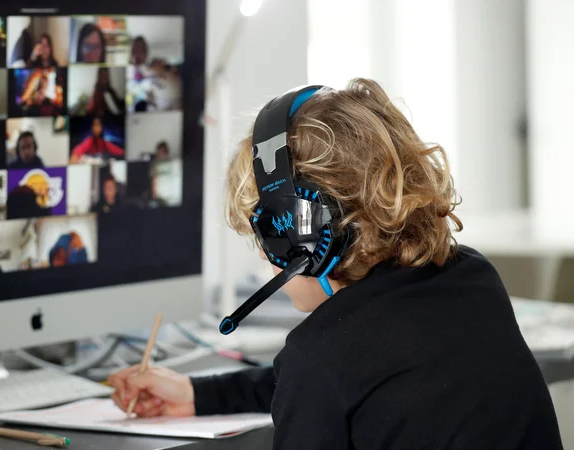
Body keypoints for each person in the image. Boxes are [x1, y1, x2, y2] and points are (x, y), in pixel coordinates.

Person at [108, 79, 563, 449]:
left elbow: (328, 378)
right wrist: (197, 394)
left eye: (265, 240)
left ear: (298, 236)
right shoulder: (471, 277)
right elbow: (349, 379)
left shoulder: (322, 359)